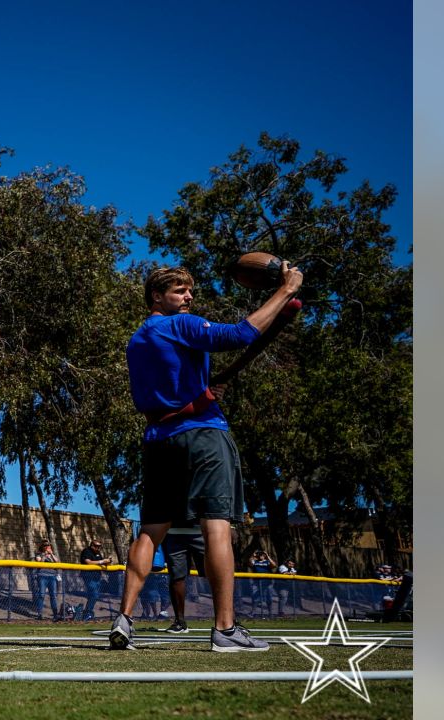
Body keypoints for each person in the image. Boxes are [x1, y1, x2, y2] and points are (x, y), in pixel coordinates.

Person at [112, 263, 302, 652]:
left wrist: (202, 387)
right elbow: (239, 334)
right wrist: (285, 290)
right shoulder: (180, 324)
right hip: (201, 433)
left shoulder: (137, 340)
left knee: (150, 530)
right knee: (216, 525)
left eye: (189, 292)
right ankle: (225, 629)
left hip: (159, 438)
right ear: (157, 296)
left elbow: (167, 386)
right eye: (180, 291)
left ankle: (124, 619)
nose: (188, 297)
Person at [160, 524, 205, 633]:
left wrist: (231, 527)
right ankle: (180, 622)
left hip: (205, 530)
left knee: (216, 576)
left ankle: (228, 622)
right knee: (176, 577)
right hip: (174, 532)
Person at [78, 538, 114, 622]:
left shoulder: (98, 553)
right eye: (97, 546)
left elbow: (101, 562)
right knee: (94, 594)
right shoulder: (86, 551)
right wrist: (102, 561)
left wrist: (107, 561)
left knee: (94, 595)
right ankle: (87, 613)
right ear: (92, 545)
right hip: (88, 576)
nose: (98, 548)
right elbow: (88, 562)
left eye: (99, 546)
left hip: (97, 576)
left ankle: (87, 613)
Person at [31, 539, 61, 621]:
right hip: (42, 576)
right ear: (42, 547)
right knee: (41, 595)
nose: (47, 547)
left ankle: (55, 615)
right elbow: (40, 562)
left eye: (48, 545)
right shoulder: (38, 554)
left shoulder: (52, 555)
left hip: (52, 577)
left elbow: (57, 562)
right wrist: (44, 554)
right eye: (45, 545)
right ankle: (39, 614)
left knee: (53, 596)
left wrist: (51, 554)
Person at [139, 543, 168, 620]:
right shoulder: (145, 548)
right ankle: (146, 613)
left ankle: (159, 614)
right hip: (148, 575)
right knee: (146, 595)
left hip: (160, 575)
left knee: (156, 596)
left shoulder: (161, 548)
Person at [248, 549, 277, 618]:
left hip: (267, 583)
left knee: (269, 598)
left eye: (262, 555)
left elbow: (274, 565)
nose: (261, 556)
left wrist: (267, 556)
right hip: (257, 582)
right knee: (256, 598)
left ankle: (270, 613)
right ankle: (253, 612)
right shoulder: (255, 561)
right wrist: (253, 555)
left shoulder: (267, 562)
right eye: (259, 555)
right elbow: (250, 564)